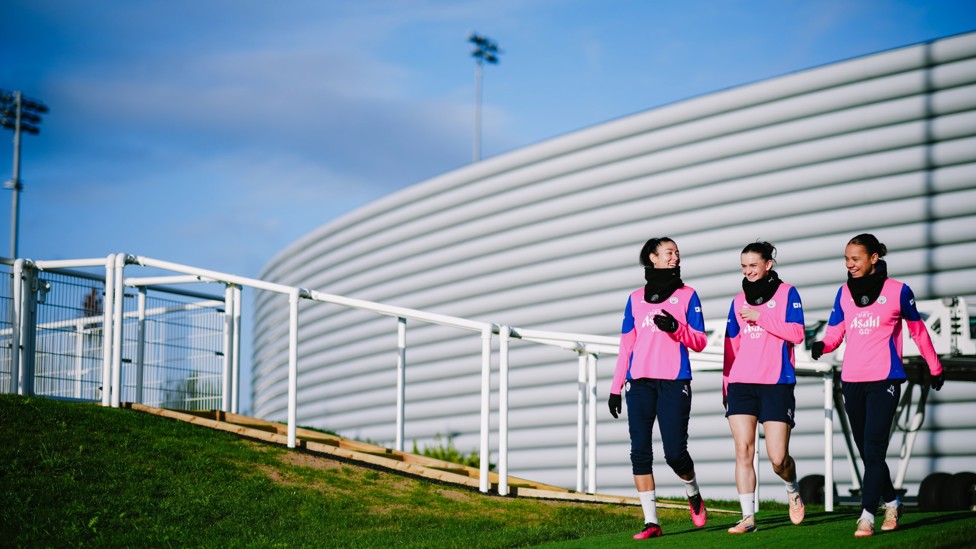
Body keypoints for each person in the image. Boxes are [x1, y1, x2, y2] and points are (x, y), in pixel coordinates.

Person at [811, 233, 945, 538]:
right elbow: (836, 332)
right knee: (867, 453)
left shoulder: (898, 291)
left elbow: (919, 332)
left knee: (874, 448)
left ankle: (867, 515)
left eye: (855, 258)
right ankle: (893, 501)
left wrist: (935, 367)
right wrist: (823, 345)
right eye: (846, 259)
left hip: (884, 379)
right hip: (852, 381)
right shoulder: (843, 293)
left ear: (874, 258)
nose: (850, 264)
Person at [608, 237, 708, 539]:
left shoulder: (688, 295)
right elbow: (627, 345)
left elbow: (700, 341)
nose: (675, 257)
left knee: (675, 453)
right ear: (652, 258)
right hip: (639, 383)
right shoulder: (635, 298)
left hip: (675, 380)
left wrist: (676, 329)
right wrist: (615, 387)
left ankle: (692, 491)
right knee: (639, 452)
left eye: (677, 253)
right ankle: (651, 522)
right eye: (668, 253)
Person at [722, 241, 806, 534]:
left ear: (768, 264)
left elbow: (797, 334)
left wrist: (762, 317)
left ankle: (792, 488)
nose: (748, 271)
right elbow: (731, 346)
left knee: (777, 458)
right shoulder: (737, 301)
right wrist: (726, 384)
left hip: (776, 382)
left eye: (753, 266)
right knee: (743, 450)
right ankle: (748, 517)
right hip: (742, 383)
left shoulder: (787, 294)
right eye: (744, 267)